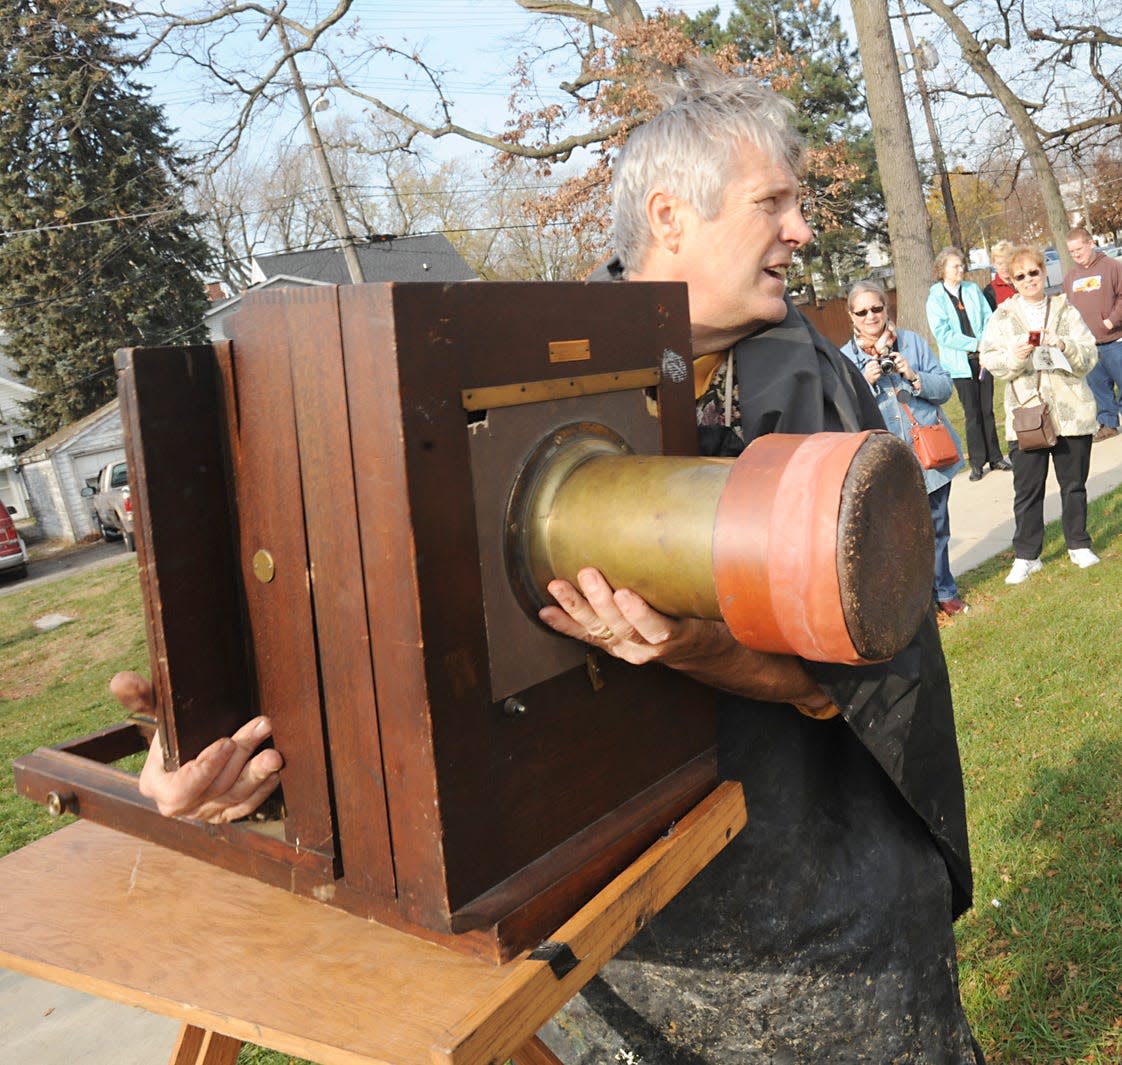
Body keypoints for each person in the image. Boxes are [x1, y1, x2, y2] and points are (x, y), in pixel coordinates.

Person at [128, 65, 983, 1064]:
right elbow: (351, 588)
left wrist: (704, 650)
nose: (803, 231)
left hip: (819, 902)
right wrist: (219, 752)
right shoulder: (488, 370)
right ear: (671, 214)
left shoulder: (810, 378)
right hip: (610, 937)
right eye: (775, 203)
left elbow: (859, 679)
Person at [840, 280, 967, 615]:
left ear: (886, 308)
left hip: (929, 456)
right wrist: (864, 384)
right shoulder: (844, 360)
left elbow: (944, 390)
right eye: (862, 311)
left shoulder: (911, 342)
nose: (871, 316)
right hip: (886, 464)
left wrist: (912, 375)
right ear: (851, 316)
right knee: (898, 538)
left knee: (937, 528)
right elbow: (843, 417)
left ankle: (944, 591)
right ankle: (917, 605)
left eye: (877, 308)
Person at [979, 245, 1099, 585]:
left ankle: (1078, 544)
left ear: (1044, 274)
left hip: (1071, 412)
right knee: (1027, 490)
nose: (1029, 279)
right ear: (1011, 281)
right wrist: (1016, 356)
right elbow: (990, 360)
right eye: (1021, 276)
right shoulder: (1001, 317)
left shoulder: (1065, 309)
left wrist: (1063, 345)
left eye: (1034, 272)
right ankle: (1027, 556)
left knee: (1073, 484)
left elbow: (1089, 355)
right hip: (1028, 415)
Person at [926, 247, 1010, 481]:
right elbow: (943, 333)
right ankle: (976, 462)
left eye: (962, 265)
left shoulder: (972, 290)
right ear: (942, 270)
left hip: (983, 358)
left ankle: (995, 457)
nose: (960, 269)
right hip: (960, 365)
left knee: (987, 409)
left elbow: (987, 317)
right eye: (955, 266)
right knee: (972, 413)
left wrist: (985, 344)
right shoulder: (936, 298)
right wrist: (975, 344)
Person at [1063, 226, 1122, 443]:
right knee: (1099, 388)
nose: (1076, 254)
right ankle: (1108, 424)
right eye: (1071, 251)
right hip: (1088, 344)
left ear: (1091, 244)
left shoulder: (1112, 267)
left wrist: (1110, 321)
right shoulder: (1071, 278)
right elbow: (1067, 308)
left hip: (1115, 340)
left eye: (1079, 249)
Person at [983, 239, 1016, 309]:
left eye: (1007, 262)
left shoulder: (1023, 281)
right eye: (1000, 264)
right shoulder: (990, 291)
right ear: (994, 264)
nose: (1004, 267)